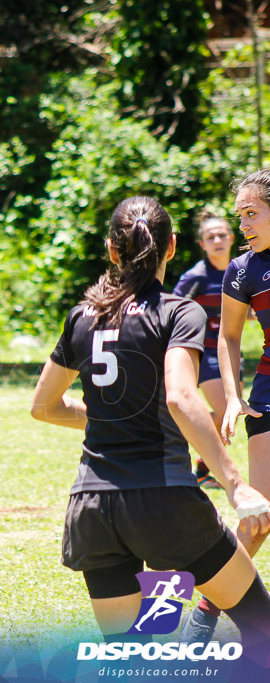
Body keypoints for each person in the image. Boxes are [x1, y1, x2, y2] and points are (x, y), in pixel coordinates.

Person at [30, 196, 270, 668]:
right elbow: (181, 397)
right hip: (164, 501)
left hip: (92, 508)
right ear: (173, 247)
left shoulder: (83, 316)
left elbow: (44, 406)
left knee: (133, 661)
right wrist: (236, 485)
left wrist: (109, 415)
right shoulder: (180, 312)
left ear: (111, 251)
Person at [186, 169, 270, 643]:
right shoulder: (242, 270)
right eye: (240, 216)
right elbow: (230, 337)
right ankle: (205, 610)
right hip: (269, 398)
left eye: (252, 213)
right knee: (260, 517)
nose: (243, 225)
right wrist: (234, 397)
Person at [172, 212, 237, 489]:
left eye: (222, 234)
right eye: (211, 237)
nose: (218, 240)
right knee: (223, 409)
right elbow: (171, 310)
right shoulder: (196, 276)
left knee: (230, 414)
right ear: (202, 244)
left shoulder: (241, 269)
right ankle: (175, 433)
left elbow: (237, 312)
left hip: (230, 351)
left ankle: (202, 469)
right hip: (203, 351)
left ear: (232, 237)